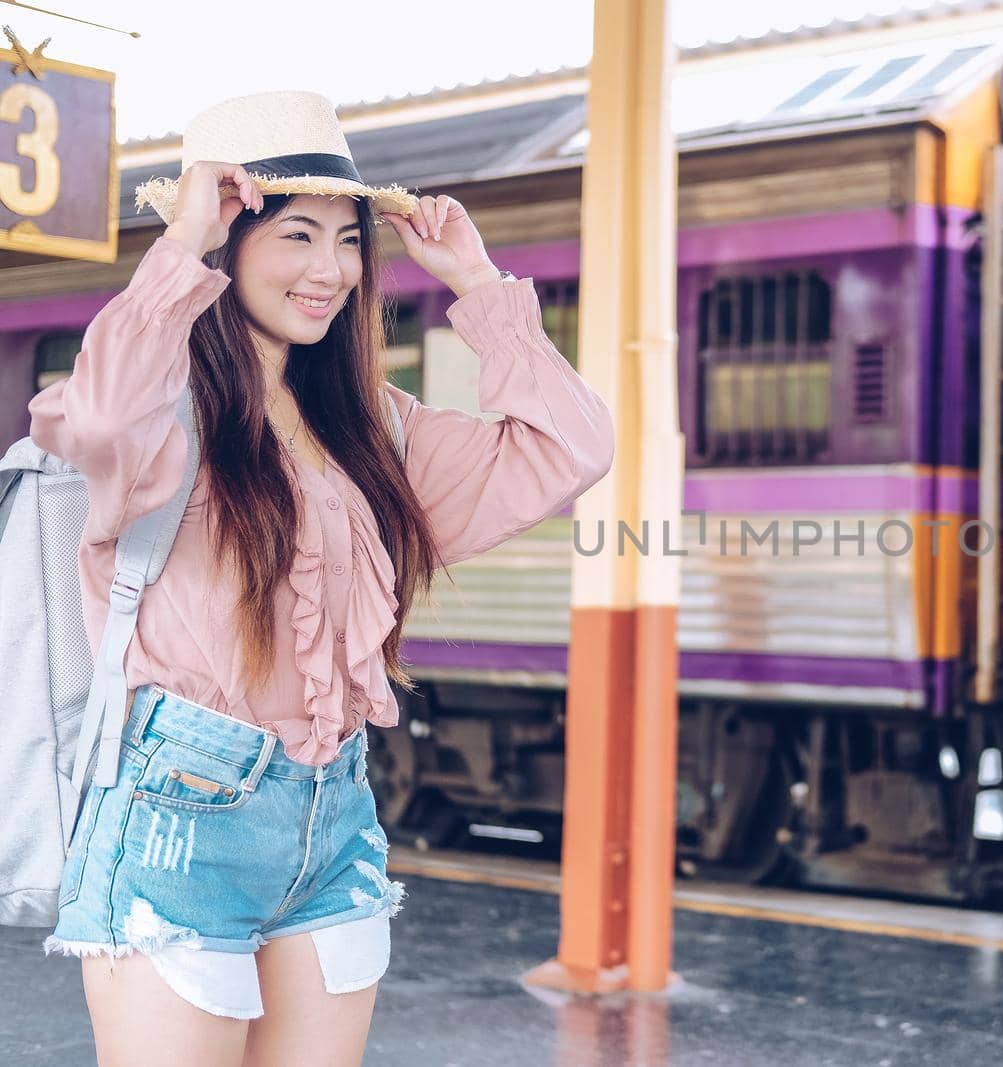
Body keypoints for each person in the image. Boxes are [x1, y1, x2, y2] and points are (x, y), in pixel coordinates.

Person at [27, 91, 615, 1067]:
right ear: (229, 238)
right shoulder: (158, 417)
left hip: (334, 815)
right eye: (297, 234)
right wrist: (178, 245)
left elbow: (572, 447)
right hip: (179, 815)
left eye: (348, 241)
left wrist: (476, 281)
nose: (330, 269)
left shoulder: (372, 425)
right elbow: (89, 418)